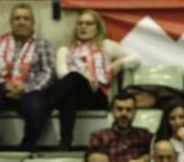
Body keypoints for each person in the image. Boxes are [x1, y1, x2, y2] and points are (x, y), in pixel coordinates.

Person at [50, 9, 139, 150]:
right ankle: (65, 143)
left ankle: (45, 106)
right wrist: (85, 77)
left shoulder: (107, 46)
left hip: (97, 96)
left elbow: (136, 57)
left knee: (72, 80)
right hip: (75, 95)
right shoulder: (65, 50)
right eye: (80, 23)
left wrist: (119, 64)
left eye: (88, 24)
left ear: (97, 28)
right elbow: (62, 75)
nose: (83, 27)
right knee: (70, 93)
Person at [0, 3, 54, 151]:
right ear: (11, 22)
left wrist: (25, 88)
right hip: (3, 88)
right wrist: (3, 84)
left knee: (37, 106)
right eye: (17, 18)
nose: (21, 22)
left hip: (29, 91)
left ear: (33, 22)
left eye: (26, 19)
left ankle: (27, 146)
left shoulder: (42, 44)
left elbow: (48, 72)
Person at [89, 92, 152, 162]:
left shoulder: (144, 135)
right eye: (119, 109)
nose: (124, 113)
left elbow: (161, 152)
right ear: (112, 111)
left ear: (135, 112)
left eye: (128, 110)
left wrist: (147, 159)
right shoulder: (99, 136)